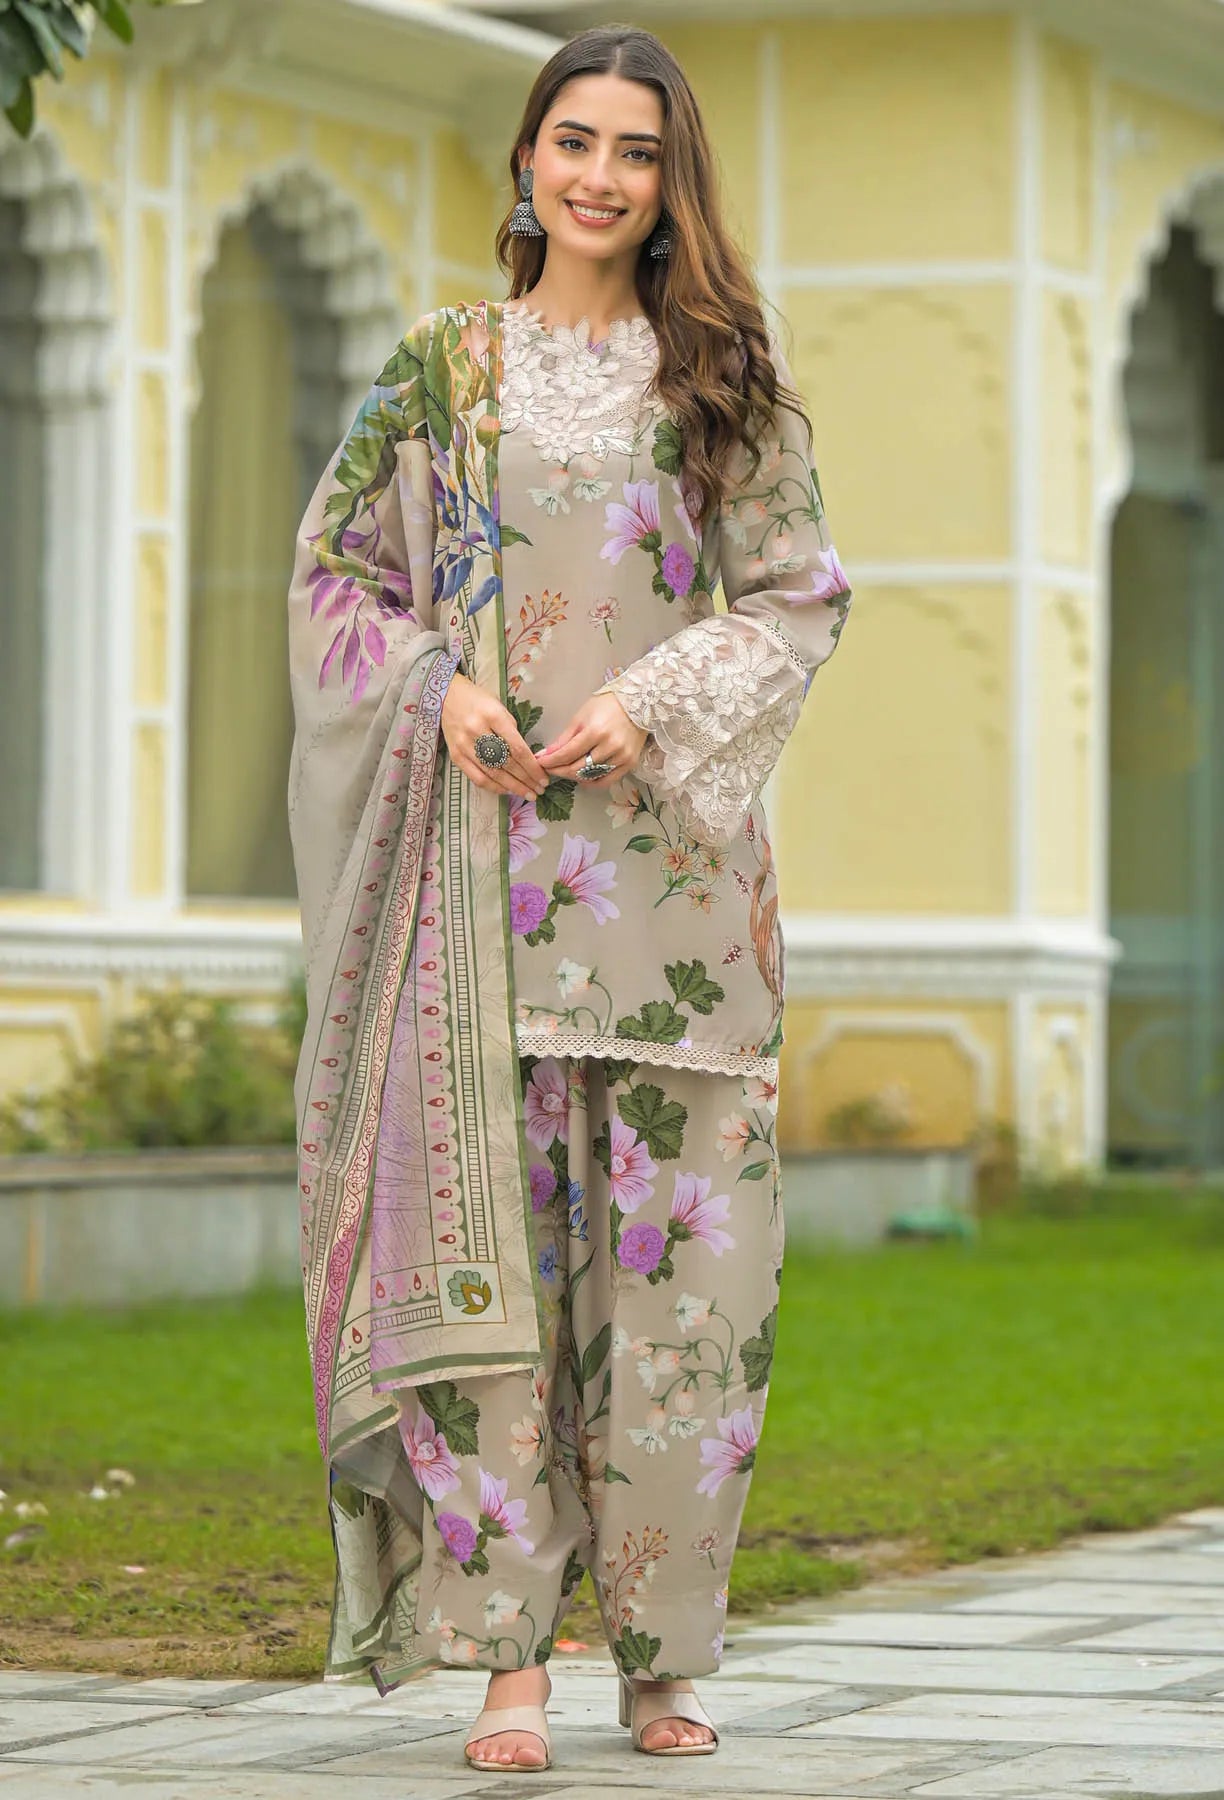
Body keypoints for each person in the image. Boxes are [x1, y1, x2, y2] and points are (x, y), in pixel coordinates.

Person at [286, 20, 852, 1776]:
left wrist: (651, 699)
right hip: (470, 899)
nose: (599, 176)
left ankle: (663, 1661)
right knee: (490, 1288)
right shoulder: (437, 376)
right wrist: (436, 685)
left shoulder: (730, 392)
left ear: (672, 184)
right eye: (572, 141)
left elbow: (800, 601)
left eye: (634, 151)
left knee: (688, 1305)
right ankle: (508, 1664)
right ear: (525, 160)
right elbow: (334, 577)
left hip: (676, 910)